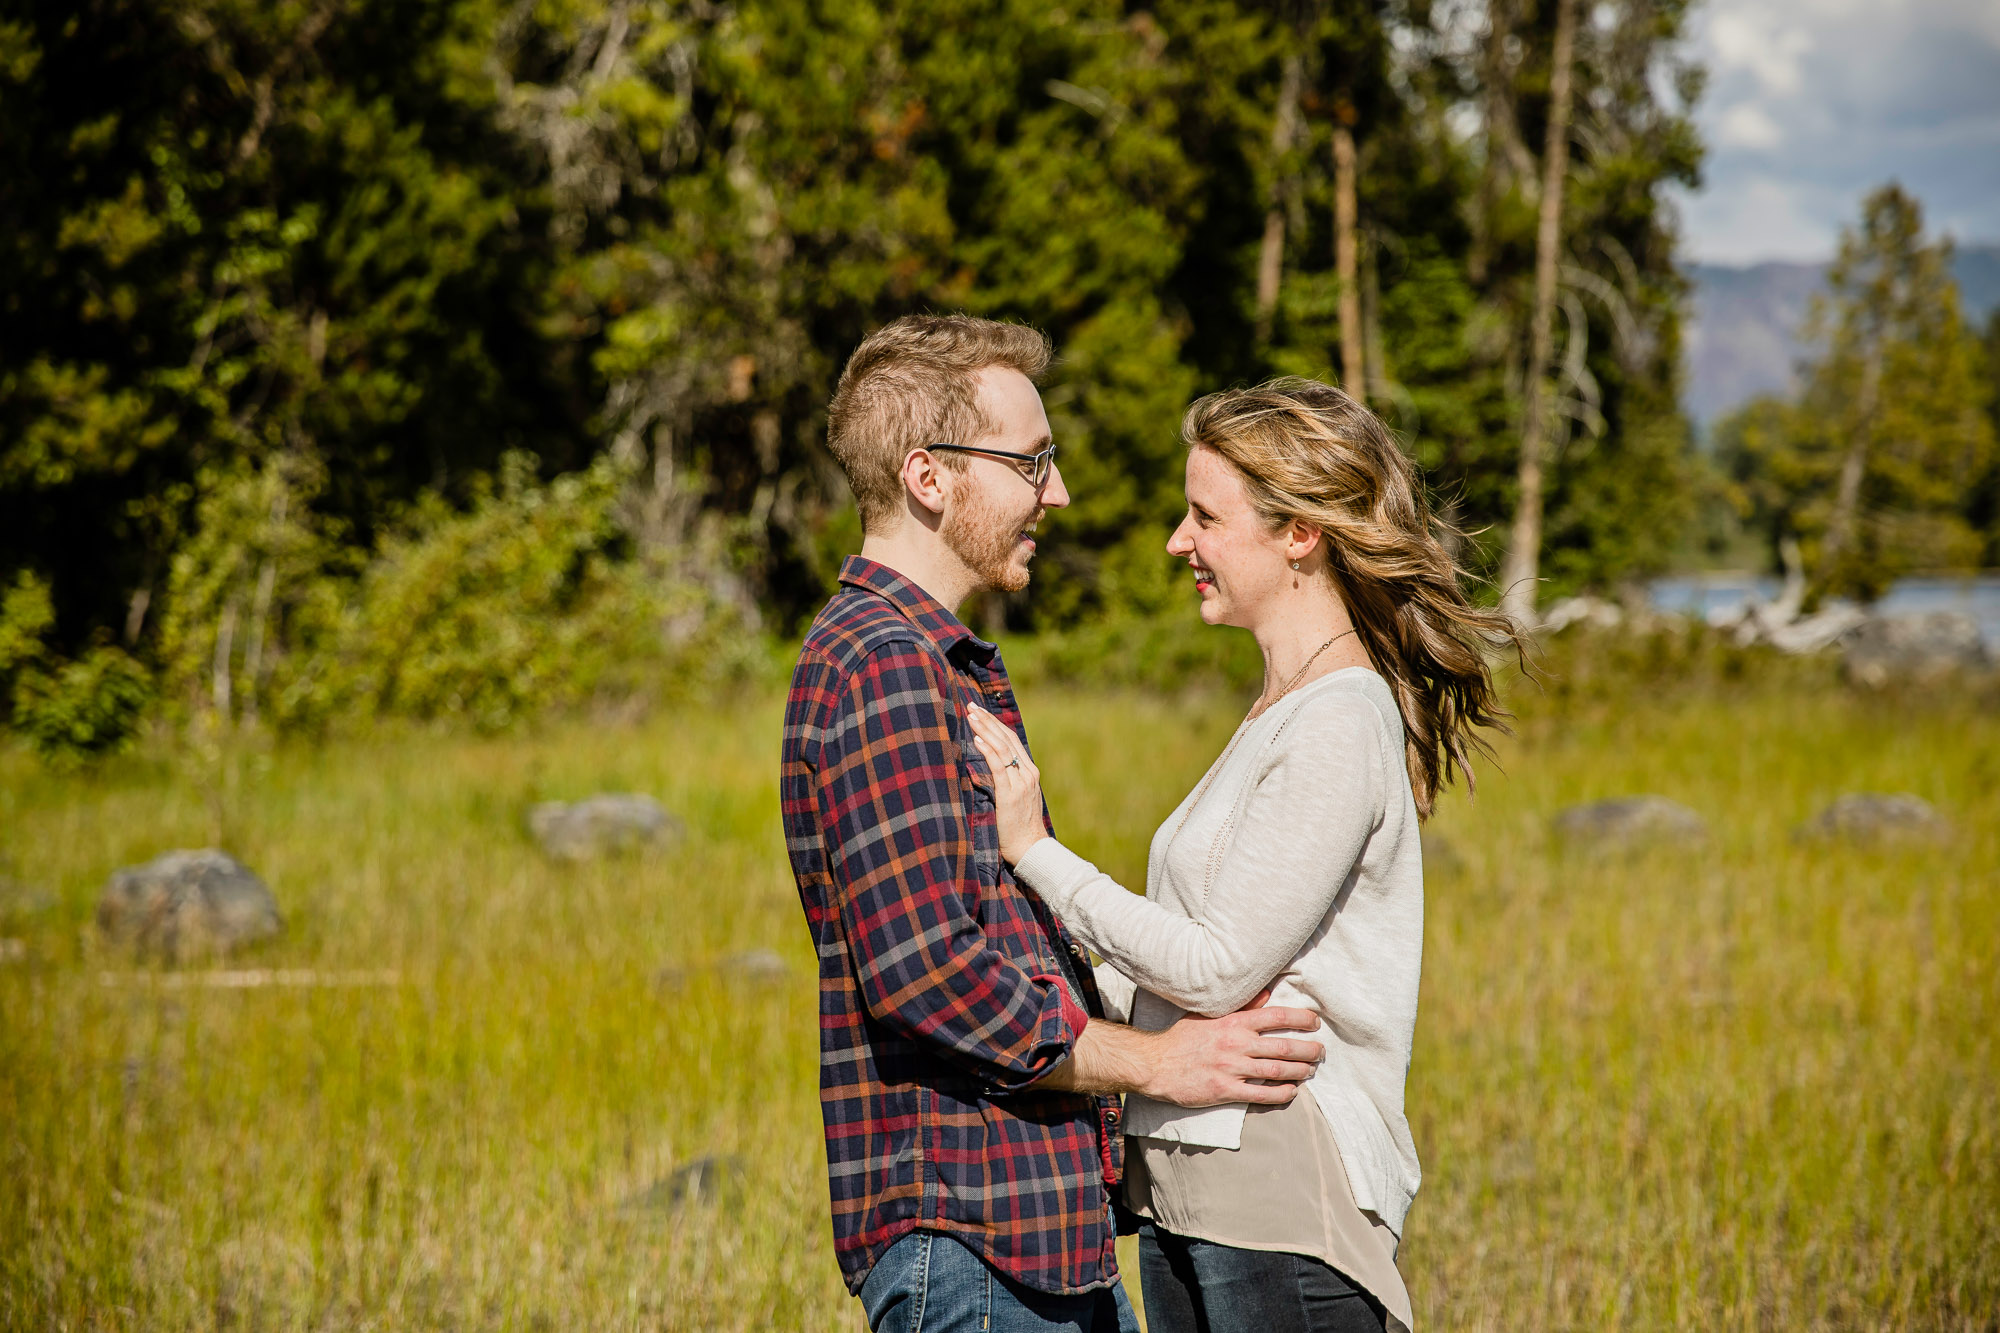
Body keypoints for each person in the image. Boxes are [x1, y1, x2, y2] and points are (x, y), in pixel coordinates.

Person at [780, 318, 1328, 1333]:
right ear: (928, 478)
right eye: (1031, 461)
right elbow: (928, 971)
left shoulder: (932, 663)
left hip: (1032, 1238)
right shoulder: (884, 667)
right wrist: (1159, 1062)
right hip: (975, 1245)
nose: (1057, 491)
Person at [966, 378, 1524, 1333]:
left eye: (1205, 517)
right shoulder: (1279, 712)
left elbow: (1220, 965)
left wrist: (1036, 854)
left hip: (1276, 1193)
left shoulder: (1342, 719)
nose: (1179, 542)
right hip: (1193, 1193)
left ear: (1298, 533)